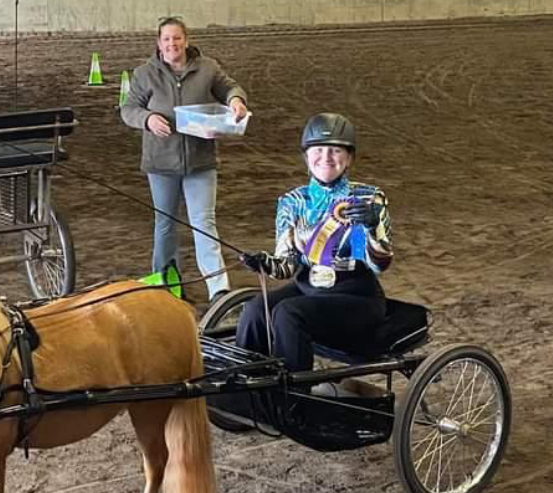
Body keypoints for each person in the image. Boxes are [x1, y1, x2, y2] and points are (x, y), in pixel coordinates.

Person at [235, 113, 393, 373]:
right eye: (318, 150)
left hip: (357, 297)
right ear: (306, 157)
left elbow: (379, 266)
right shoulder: (293, 202)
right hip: (309, 289)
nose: (326, 157)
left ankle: (295, 404)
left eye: (335, 150)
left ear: (349, 157)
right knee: (254, 310)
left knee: (288, 314)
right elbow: (287, 265)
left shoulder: (368, 199)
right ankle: (248, 389)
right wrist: (265, 262)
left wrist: (372, 226)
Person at [121, 16, 247, 303]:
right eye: (166, 39)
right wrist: (148, 118)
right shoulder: (144, 74)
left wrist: (236, 100)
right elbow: (128, 109)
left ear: (186, 40)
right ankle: (165, 282)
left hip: (201, 161)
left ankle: (219, 289)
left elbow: (229, 87)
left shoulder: (208, 68)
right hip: (160, 163)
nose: (172, 44)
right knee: (165, 223)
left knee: (204, 221)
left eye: (177, 38)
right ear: (158, 44)